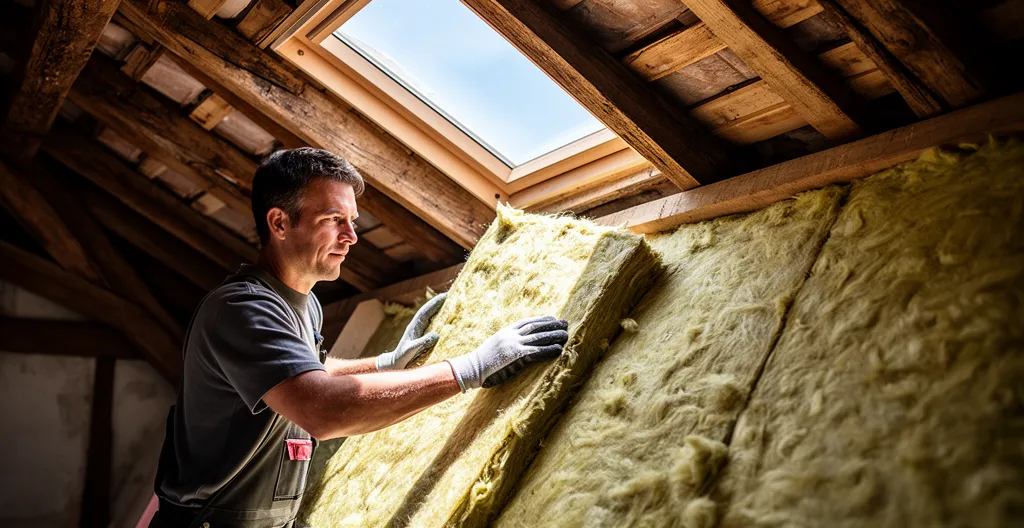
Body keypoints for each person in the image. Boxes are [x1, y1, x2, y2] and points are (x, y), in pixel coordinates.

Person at [149, 148, 568, 528]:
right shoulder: (243, 309)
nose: (351, 237)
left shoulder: (303, 302)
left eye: (352, 221)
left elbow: (304, 371)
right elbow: (322, 409)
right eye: (333, 221)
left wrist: (386, 364)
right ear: (279, 222)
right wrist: (469, 369)